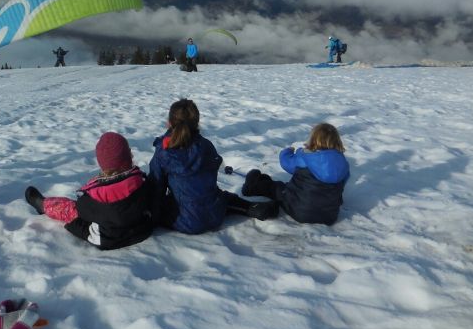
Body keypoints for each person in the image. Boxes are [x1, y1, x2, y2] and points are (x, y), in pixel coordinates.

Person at [147, 99, 278, 234]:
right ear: (197, 123)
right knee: (222, 197)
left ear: (169, 122)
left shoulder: (164, 151)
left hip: (186, 221)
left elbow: (156, 188)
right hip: (215, 213)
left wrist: (152, 218)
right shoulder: (206, 145)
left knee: (162, 202)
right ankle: (251, 207)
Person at [24, 132, 154, 250]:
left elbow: (82, 210)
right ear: (129, 156)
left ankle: (43, 205)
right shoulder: (140, 181)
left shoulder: (93, 198)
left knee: (69, 209)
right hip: (141, 230)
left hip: (107, 238)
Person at [241, 122, 350, 225]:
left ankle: (251, 187)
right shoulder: (343, 163)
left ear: (313, 139)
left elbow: (287, 163)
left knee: (277, 188)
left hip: (298, 209)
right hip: (329, 216)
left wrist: (287, 152)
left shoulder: (306, 156)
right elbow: (342, 185)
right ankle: (262, 182)